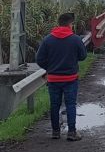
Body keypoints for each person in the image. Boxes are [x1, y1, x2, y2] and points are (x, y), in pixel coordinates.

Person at [36, 13, 88, 141]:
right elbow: (83, 56)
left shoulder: (48, 39)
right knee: (70, 104)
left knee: (55, 105)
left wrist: (50, 68)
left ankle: (55, 132)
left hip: (53, 79)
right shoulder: (75, 39)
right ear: (70, 24)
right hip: (70, 78)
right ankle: (71, 133)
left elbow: (39, 59)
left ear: (58, 23)